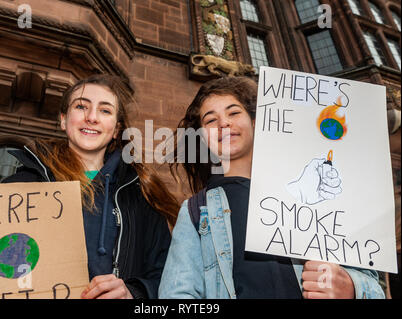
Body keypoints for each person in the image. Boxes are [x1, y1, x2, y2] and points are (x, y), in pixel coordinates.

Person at [158, 76, 385, 299]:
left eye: (234, 112)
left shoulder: (311, 192)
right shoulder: (196, 210)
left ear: (255, 122)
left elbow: (374, 285)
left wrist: (352, 288)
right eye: (210, 120)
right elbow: (176, 293)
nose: (223, 123)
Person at [3, 74, 179, 299]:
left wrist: (133, 293)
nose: (92, 117)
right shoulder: (24, 185)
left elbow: (166, 274)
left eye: (105, 110)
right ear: (64, 120)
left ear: (116, 129)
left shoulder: (140, 195)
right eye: (81, 107)